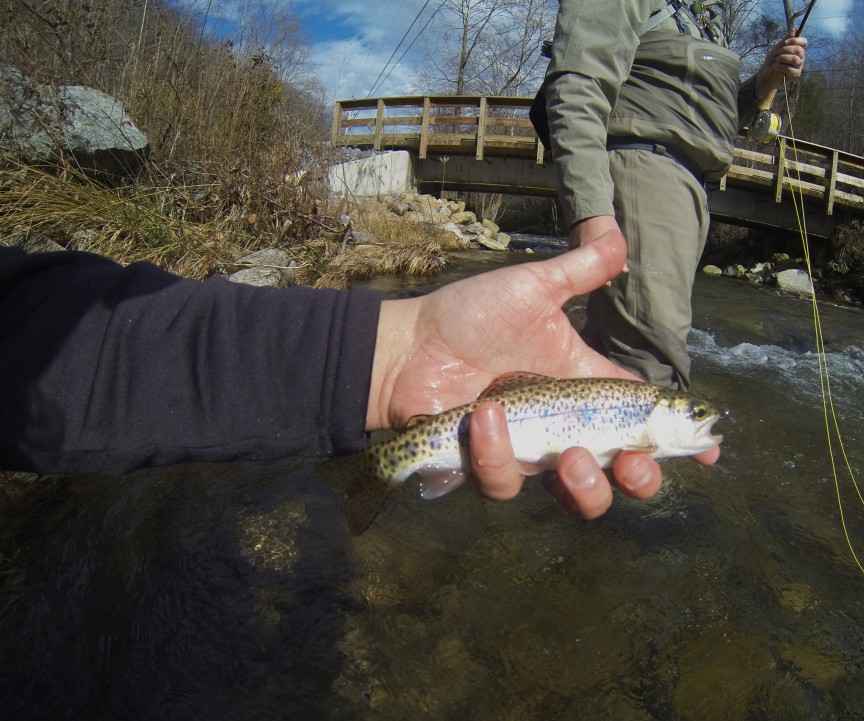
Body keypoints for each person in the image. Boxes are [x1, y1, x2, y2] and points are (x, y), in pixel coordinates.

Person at [0, 231, 719, 521]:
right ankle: (384, 468)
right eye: (691, 415)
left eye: (692, 417)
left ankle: (390, 464)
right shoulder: (639, 409)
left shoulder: (30, 314)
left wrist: (393, 348)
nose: (700, 424)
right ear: (656, 414)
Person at [536, 0, 808, 389]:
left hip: (688, 195)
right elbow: (578, 84)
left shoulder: (701, 17)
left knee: (611, 365)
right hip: (643, 178)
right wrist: (590, 211)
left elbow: (711, 120)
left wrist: (764, 80)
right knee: (649, 372)